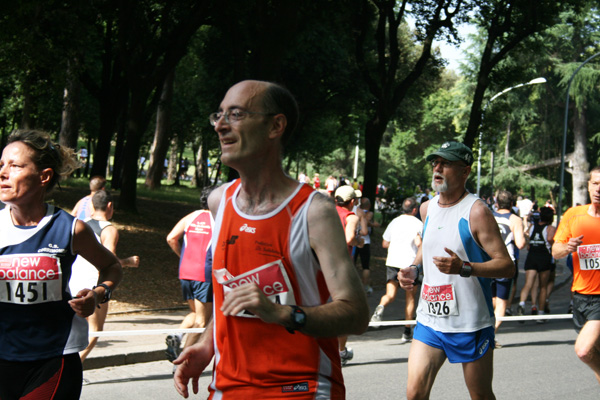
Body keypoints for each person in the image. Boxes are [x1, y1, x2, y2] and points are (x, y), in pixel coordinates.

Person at [173, 80, 369, 399]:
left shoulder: (313, 211)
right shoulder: (219, 202)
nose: (220, 126)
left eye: (235, 114)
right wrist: (207, 344)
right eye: (218, 115)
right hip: (227, 387)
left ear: (275, 125)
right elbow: (231, 296)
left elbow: (357, 314)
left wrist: (284, 314)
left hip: (301, 387)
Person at [0, 130, 122, 399]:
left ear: (44, 176)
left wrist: (98, 294)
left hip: (53, 359)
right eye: (1, 165)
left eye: (15, 165)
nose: (3, 173)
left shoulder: (70, 229)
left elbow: (113, 267)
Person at [397, 141, 514, 399]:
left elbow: (507, 266)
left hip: (470, 323)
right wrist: (414, 269)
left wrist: (464, 268)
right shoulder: (427, 208)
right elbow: (427, 247)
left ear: (465, 172)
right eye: (435, 163)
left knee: (480, 395)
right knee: (414, 394)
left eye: (446, 163)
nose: (437, 168)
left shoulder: (477, 211)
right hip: (430, 319)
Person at [69, 190, 139, 362]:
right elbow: (109, 262)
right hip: (94, 286)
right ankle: (74, 368)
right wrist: (128, 261)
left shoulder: (79, 224)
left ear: (91, 206)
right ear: (110, 206)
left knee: (74, 330)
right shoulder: (108, 229)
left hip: (71, 282)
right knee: (95, 331)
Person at [552, 166, 600, 383]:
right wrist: (569, 247)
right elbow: (556, 251)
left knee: (583, 350)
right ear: (589, 185)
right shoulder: (573, 215)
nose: (598, 189)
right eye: (595, 183)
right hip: (580, 296)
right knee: (595, 353)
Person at [165, 187, 214, 363]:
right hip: (204, 274)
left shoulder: (191, 216)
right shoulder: (217, 219)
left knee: (195, 312)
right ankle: (182, 362)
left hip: (185, 272)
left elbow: (171, 238)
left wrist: (182, 257)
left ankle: (176, 335)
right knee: (202, 321)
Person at [371, 196, 422, 343]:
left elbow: (385, 243)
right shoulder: (418, 224)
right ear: (414, 209)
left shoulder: (395, 221)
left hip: (393, 261)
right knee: (410, 298)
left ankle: (381, 306)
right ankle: (406, 331)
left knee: (390, 294)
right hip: (409, 264)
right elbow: (420, 244)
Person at [335, 185, 366, 365]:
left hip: (319, 266)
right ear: (352, 202)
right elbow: (349, 239)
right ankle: (340, 352)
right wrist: (359, 242)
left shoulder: (326, 213)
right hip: (342, 269)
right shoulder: (351, 216)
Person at [491, 190, 525, 345]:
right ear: (512, 204)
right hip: (505, 262)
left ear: (497, 202)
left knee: (490, 299)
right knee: (501, 302)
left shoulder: (488, 215)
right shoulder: (515, 219)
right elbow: (520, 244)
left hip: (488, 261)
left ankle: (486, 332)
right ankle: (491, 334)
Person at [517, 206, 556, 321]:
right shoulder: (550, 228)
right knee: (543, 287)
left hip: (532, 256)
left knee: (528, 283)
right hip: (544, 257)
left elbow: (527, 235)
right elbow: (550, 239)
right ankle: (540, 313)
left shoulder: (532, 227)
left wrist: (531, 242)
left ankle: (522, 304)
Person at [354, 197, 380, 295]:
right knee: (365, 266)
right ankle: (365, 287)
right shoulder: (367, 213)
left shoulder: (354, 211)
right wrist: (373, 225)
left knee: (352, 263)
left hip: (353, 240)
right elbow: (367, 221)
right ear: (369, 205)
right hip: (364, 242)